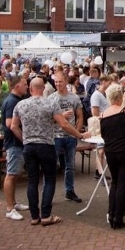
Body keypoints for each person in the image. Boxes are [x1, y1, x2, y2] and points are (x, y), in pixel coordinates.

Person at [11, 77, 86, 226]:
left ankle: (34, 216)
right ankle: (45, 214)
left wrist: (24, 139)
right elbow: (64, 124)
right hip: (46, 145)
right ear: (43, 88)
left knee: (32, 180)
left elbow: (13, 126)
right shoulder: (50, 103)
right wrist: (79, 135)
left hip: (29, 146)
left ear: (31, 89)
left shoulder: (21, 104)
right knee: (49, 179)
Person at [100, 84, 125, 229]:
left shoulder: (103, 115)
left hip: (111, 151)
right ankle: (118, 217)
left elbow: (103, 134)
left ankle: (111, 213)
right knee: (123, 183)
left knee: (115, 182)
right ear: (119, 97)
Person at [51, 72, 85, 203]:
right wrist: (61, 116)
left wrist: (76, 132)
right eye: (56, 82)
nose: (58, 84)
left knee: (70, 165)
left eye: (60, 81)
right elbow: (47, 118)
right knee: (53, 165)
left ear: (66, 81)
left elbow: (80, 116)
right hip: (56, 136)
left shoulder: (74, 98)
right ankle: (50, 192)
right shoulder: (51, 98)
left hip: (70, 136)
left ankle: (69, 191)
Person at [1, 76, 30, 221]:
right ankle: (9, 208)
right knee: (11, 174)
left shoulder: (14, 100)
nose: (27, 87)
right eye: (25, 84)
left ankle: (13, 203)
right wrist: (24, 139)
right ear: (17, 86)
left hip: (15, 143)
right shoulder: (12, 101)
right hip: (14, 144)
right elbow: (10, 124)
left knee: (14, 174)